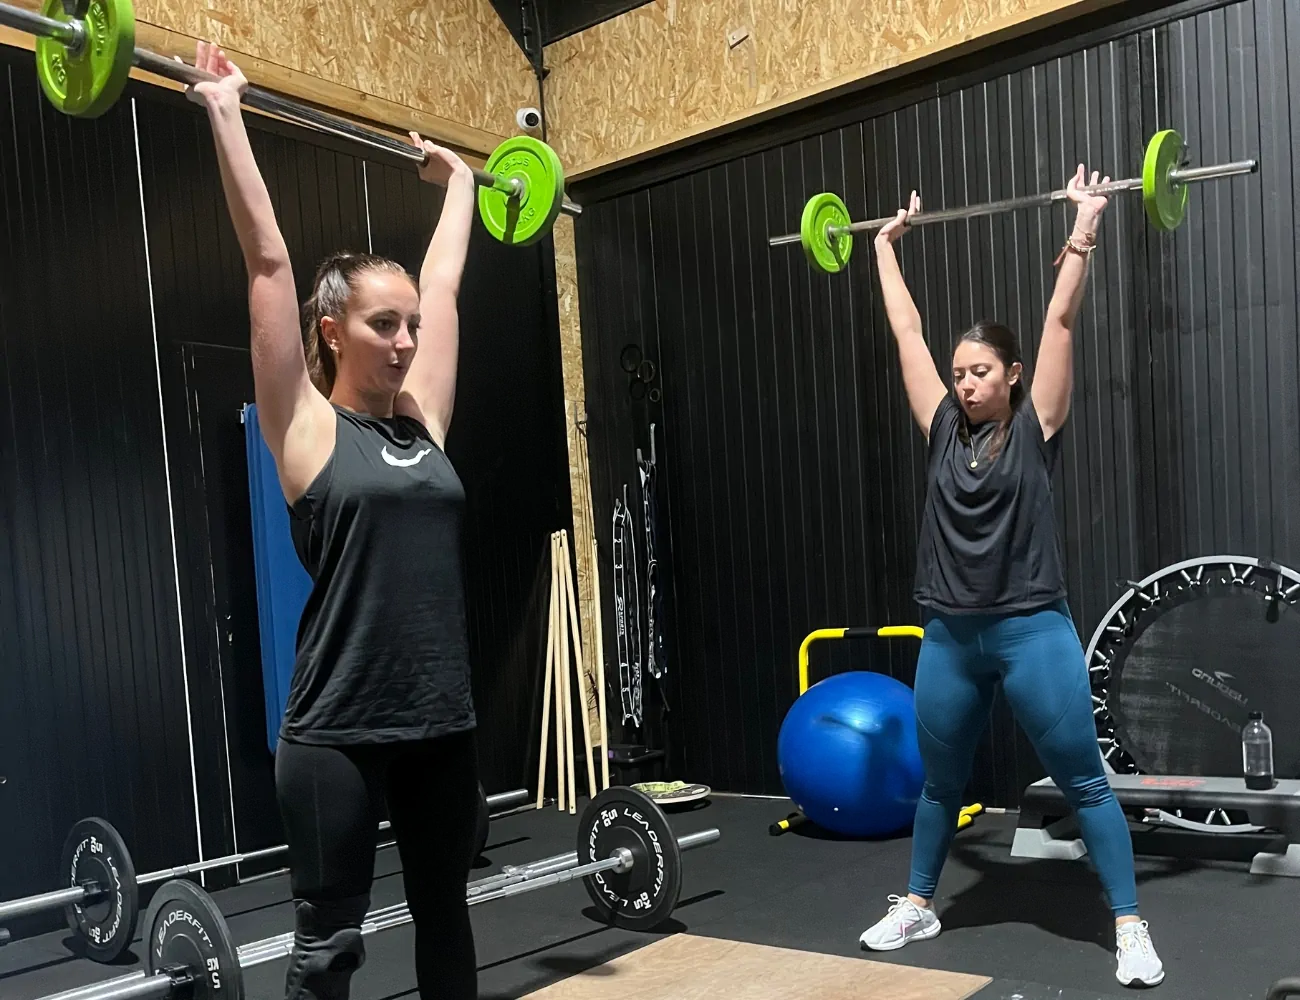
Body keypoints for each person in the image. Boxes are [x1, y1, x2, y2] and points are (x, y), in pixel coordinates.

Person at [187, 43, 481, 1000]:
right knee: (327, 955)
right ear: (330, 330)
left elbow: (442, 288)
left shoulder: (422, 418)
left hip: (440, 721)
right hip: (337, 731)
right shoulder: (307, 429)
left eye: (407, 328)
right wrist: (226, 112)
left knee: (448, 927)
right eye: (379, 326)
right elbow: (269, 262)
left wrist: (465, 185)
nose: (403, 342)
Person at [857, 169, 1163, 989]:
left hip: (1032, 630)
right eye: (959, 374)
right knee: (940, 785)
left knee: (1085, 782)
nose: (963, 383)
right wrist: (885, 249)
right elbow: (906, 335)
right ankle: (920, 903)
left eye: (980, 371)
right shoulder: (941, 429)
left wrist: (1084, 227)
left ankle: (1129, 924)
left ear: (1014, 375)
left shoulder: (1039, 425)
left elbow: (1061, 318)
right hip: (950, 636)